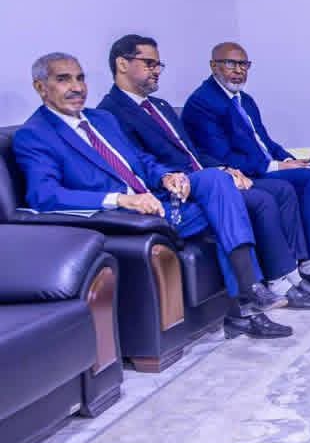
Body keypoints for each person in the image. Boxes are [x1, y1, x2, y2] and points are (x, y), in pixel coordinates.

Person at [14, 52, 292, 340]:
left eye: (80, 78)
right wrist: (119, 199)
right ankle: (247, 300)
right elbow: (44, 196)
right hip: (124, 215)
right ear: (40, 87)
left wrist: (166, 176)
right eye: (63, 80)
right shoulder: (34, 135)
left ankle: (248, 292)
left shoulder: (101, 119)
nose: (77, 87)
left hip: (157, 197)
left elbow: (141, 159)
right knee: (227, 209)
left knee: (216, 180)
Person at [97, 34, 310, 311]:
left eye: (159, 64)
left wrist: (225, 169)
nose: (157, 70)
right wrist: (204, 175)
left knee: (282, 189)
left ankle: (293, 273)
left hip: (207, 175)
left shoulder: (159, 106)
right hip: (179, 187)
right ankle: (276, 282)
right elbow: (140, 163)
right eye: (149, 63)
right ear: (122, 64)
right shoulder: (110, 113)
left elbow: (194, 152)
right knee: (261, 199)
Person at [181, 42, 310, 291]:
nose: (239, 70)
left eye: (244, 64)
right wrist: (276, 166)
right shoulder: (203, 104)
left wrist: (287, 159)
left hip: (263, 163)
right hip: (242, 173)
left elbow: (265, 142)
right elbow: (222, 156)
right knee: (307, 178)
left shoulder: (244, 100)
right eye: (231, 64)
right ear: (214, 66)